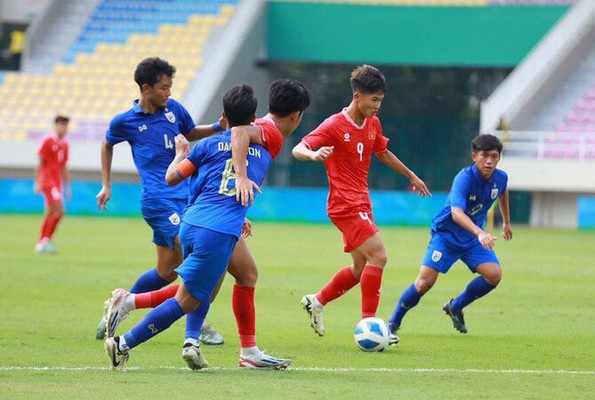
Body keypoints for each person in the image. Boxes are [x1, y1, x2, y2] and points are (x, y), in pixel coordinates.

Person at [103, 79, 311, 370]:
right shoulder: (269, 134)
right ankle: (124, 342)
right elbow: (239, 135)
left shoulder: (210, 144)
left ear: (223, 115)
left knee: (246, 274)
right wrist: (240, 177)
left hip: (195, 221)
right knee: (189, 299)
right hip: (217, 229)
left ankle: (247, 351)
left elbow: (177, 178)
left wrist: (181, 156)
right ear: (296, 116)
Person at [291, 65, 430, 344]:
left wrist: (410, 174)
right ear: (358, 96)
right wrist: (314, 154)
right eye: (374, 100)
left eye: (381, 100)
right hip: (344, 204)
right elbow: (298, 149)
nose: (378, 106)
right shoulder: (334, 124)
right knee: (379, 256)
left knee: (359, 268)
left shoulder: (372, 123)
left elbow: (382, 152)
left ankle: (317, 301)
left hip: (362, 202)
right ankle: (371, 326)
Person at [94, 57, 223, 345]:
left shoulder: (173, 110)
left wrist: (217, 126)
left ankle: (120, 305)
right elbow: (107, 144)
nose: (169, 93)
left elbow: (190, 132)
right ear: (146, 87)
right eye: (164, 88)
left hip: (186, 196)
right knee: (198, 255)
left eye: (170, 87)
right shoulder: (125, 121)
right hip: (158, 201)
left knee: (166, 272)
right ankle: (197, 324)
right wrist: (106, 183)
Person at [387, 134, 512, 337]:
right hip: (447, 235)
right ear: (474, 156)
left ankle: (456, 306)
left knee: (493, 275)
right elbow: (456, 213)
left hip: (471, 239)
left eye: (494, 157)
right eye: (485, 156)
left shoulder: (501, 177)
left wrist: (506, 222)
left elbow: (503, 191)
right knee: (424, 283)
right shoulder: (464, 178)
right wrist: (480, 232)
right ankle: (393, 323)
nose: (489, 161)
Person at [34, 115, 71, 254]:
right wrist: (37, 182)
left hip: (57, 183)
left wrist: (67, 186)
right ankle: (45, 240)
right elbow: (40, 163)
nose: (63, 127)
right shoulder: (48, 141)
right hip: (47, 181)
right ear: (55, 126)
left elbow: (63, 167)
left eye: (65, 125)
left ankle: (42, 242)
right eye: (61, 124)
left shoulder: (65, 144)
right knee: (60, 211)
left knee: (50, 212)